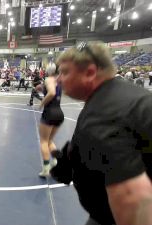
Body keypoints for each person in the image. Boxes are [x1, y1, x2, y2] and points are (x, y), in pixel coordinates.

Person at [55, 42, 152, 225]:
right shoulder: (125, 94)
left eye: (65, 72)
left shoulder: (103, 116)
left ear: (90, 73)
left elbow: (132, 199)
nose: (59, 79)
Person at [37, 64, 64, 177]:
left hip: (49, 113)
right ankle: (57, 162)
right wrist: (42, 87)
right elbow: (54, 90)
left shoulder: (49, 79)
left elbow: (52, 92)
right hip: (59, 113)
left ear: (48, 71)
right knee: (49, 141)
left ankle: (46, 169)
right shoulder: (59, 80)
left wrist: (42, 103)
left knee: (43, 141)